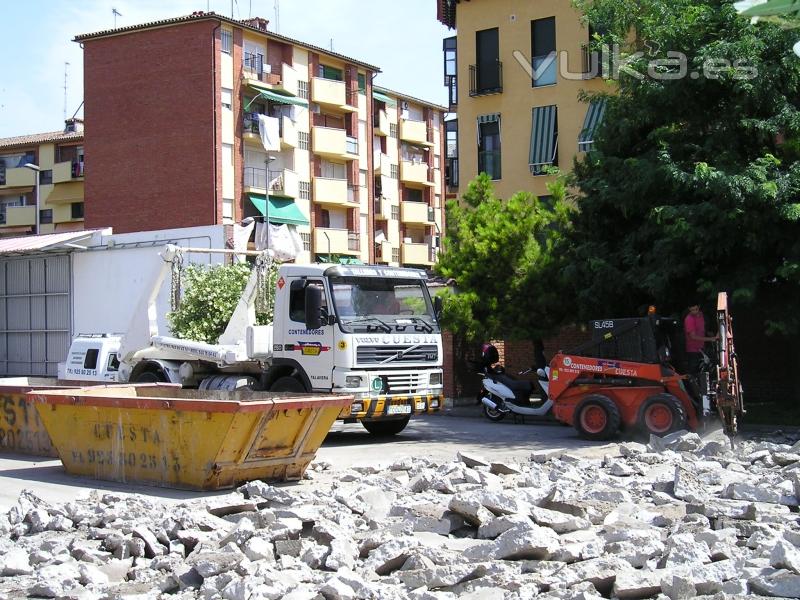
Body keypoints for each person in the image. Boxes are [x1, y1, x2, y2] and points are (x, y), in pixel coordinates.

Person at [684, 302, 718, 374]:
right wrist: (711, 339)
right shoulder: (689, 319)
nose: (694, 312)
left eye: (696, 309)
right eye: (692, 310)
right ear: (689, 309)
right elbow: (693, 336)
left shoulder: (702, 316)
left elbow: (705, 329)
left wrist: (712, 336)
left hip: (702, 348)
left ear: (699, 307)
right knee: (694, 372)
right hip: (693, 350)